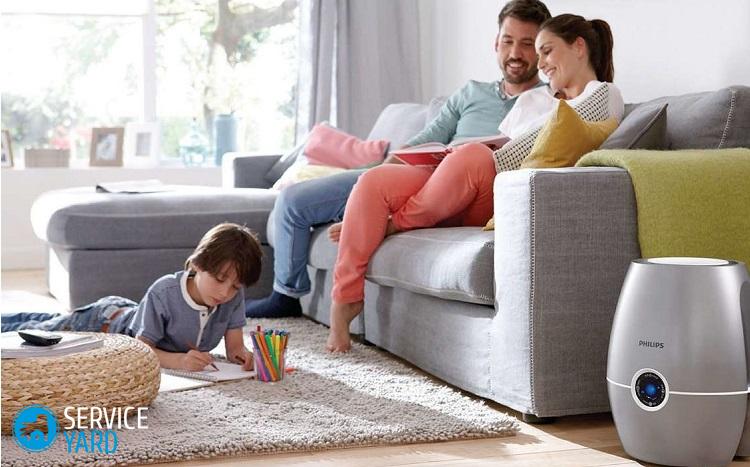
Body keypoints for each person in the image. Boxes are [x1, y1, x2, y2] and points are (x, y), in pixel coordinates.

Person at [326, 13, 625, 352]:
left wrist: (476, 154)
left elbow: (542, 140)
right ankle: (345, 300)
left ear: (579, 47)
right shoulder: (532, 100)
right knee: (373, 182)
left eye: (546, 51)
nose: (541, 63)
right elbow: (506, 141)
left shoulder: (604, 94)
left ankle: (390, 224)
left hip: (493, 188)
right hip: (463, 178)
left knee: (472, 156)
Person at [244, 0, 552, 318]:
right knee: (294, 200)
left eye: (527, 44)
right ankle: (289, 292)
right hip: (422, 175)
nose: (515, 53)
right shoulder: (471, 93)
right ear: (496, 43)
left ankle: (369, 220)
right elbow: (426, 138)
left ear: (542, 50)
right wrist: (380, 170)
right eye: (508, 41)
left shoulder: (547, 102)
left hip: (466, 191)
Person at [1, 223, 262, 371]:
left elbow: (235, 348)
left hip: (133, 312)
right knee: (38, 333)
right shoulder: (164, 292)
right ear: (197, 264)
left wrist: (245, 357)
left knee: (48, 320)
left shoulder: (231, 298)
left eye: (235, 286)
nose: (225, 292)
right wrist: (179, 361)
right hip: (104, 322)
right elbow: (141, 350)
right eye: (219, 279)